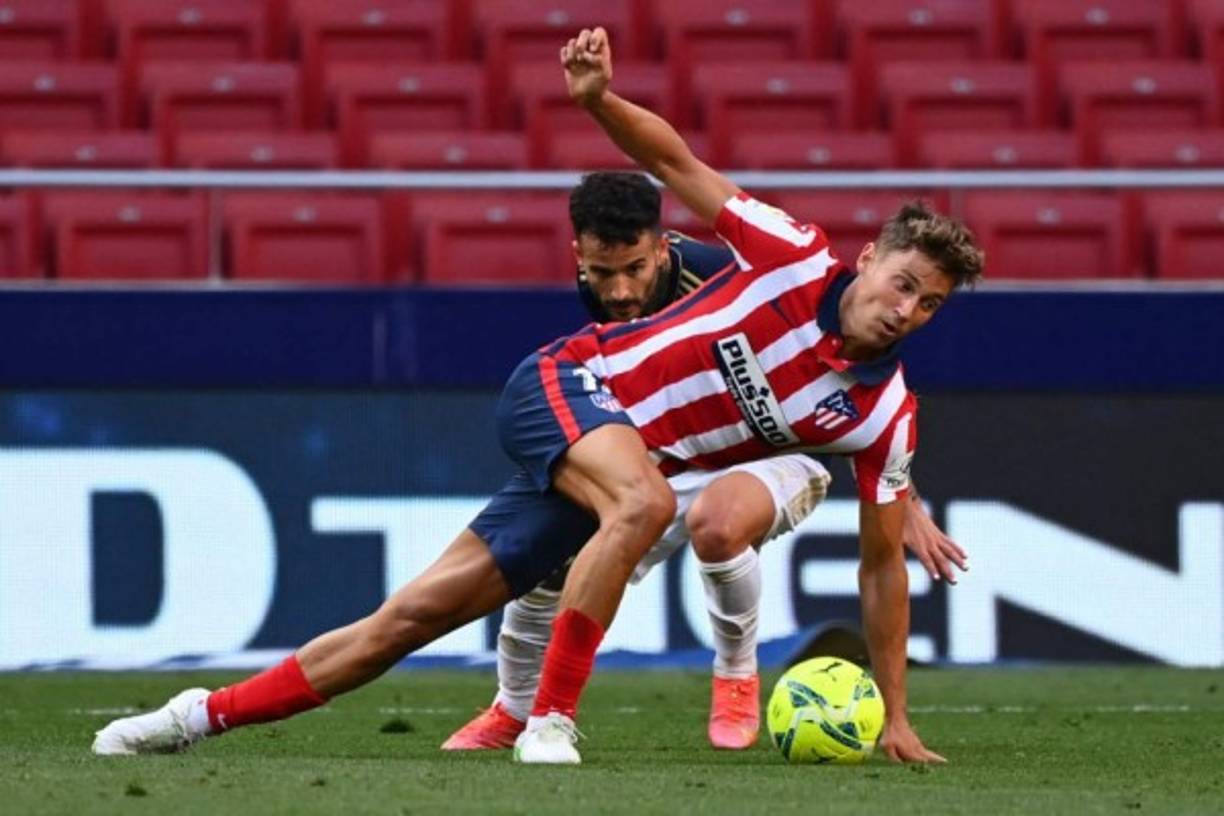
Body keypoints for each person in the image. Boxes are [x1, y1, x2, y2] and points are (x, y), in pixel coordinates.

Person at [92, 26, 980, 767]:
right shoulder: (787, 252)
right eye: (902, 283)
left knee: (405, 621)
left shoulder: (880, 414)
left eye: (930, 304)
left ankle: (191, 717)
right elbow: (673, 160)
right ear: (868, 259)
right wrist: (597, 102)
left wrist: (898, 716)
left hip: (614, 464)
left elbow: (878, 569)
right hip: (569, 384)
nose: (908, 310)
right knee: (644, 502)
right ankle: (548, 719)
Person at [441, 172, 968, 752]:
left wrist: (906, 500)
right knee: (549, 567)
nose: (618, 289)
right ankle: (510, 711)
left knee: (717, 521)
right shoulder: (600, 283)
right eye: (602, 271)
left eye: (633, 268)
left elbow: (842, 396)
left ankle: (737, 675)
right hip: (665, 447)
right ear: (582, 256)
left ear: (661, 247)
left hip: (776, 453)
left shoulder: (735, 270)